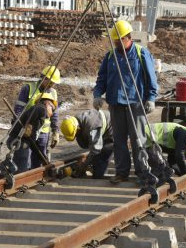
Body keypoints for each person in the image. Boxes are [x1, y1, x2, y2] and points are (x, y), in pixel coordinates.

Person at [93, 20, 159, 184]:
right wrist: (97, 94)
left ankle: (142, 172)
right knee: (119, 141)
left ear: (127, 37)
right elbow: (102, 78)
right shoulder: (110, 56)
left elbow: (151, 78)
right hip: (115, 103)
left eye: (117, 40)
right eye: (114, 40)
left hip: (135, 103)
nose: (115, 42)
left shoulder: (140, 53)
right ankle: (122, 172)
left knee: (138, 140)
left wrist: (151, 98)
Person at [13, 66, 61, 172]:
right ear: (44, 78)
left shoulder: (53, 92)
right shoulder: (28, 88)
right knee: (25, 161)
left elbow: (55, 114)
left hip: (44, 133)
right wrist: (21, 125)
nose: (52, 85)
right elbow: (18, 109)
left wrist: (55, 131)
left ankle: (35, 180)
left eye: (54, 83)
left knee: (39, 162)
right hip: (28, 132)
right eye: (51, 82)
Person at [60, 109, 114, 179]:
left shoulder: (92, 127)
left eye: (75, 134)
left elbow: (95, 150)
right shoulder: (75, 121)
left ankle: (98, 179)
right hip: (102, 130)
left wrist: (84, 165)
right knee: (93, 155)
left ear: (78, 128)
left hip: (112, 133)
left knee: (101, 158)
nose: (76, 136)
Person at [7, 93, 57, 166]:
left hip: (17, 140)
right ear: (47, 103)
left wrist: (43, 158)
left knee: (18, 166)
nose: (52, 112)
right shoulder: (41, 108)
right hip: (19, 141)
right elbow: (27, 131)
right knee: (22, 169)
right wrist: (28, 126)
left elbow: (32, 140)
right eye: (52, 108)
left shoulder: (38, 113)